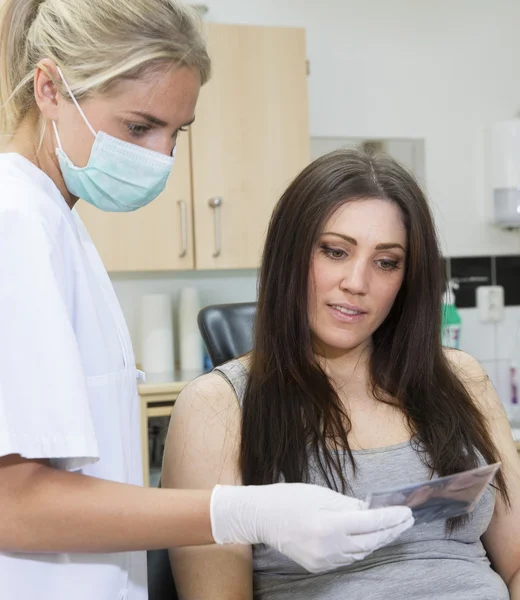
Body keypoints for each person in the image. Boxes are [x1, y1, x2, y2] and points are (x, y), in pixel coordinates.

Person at [0, 1, 414, 598]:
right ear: (49, 88)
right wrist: (240, 514)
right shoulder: (16, 222)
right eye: (139, 127)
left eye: (177, 132)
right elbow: (15, 504)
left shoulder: (55, 222)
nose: (161, 157)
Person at [163, 148, 520, 599]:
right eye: (335, 251)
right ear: (289, 255)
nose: (357, 281)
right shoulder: (217, 407)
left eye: (386, 262)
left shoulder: (461, 379)